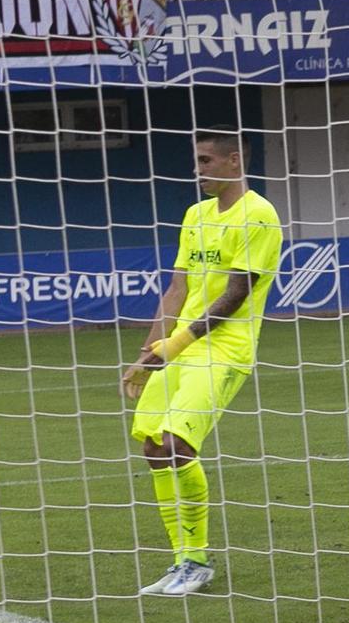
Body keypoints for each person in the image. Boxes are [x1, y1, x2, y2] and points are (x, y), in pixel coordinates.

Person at [121, 128, 284, 597]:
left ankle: (197, 562)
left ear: (235, 161)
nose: (199, 171)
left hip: (224, 350)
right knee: (153, 448)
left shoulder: (259, 215)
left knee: (175, 443)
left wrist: (173, 346)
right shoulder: (195, 216)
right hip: (180, 347)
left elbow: (236, 294)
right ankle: (181, 561)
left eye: (207, 161)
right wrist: (148, 353)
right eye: (197, 162)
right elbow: (178, 290)